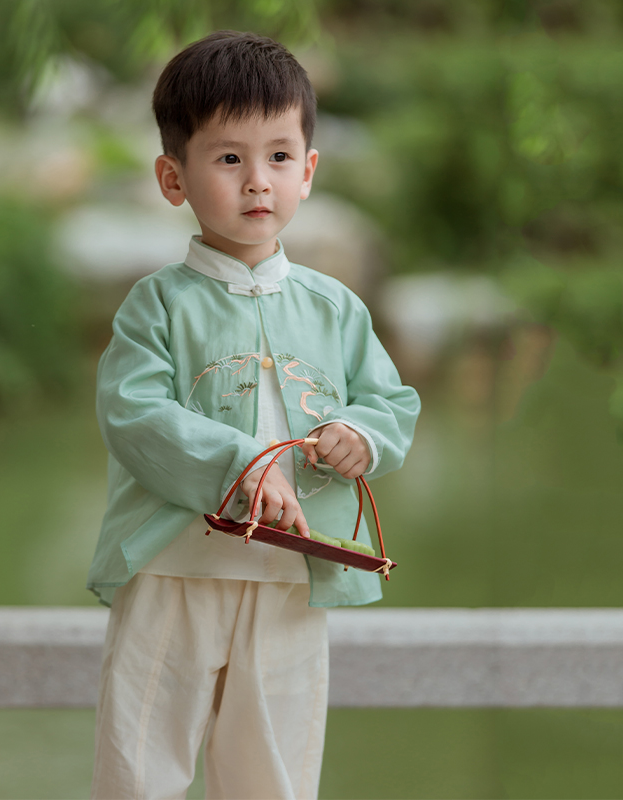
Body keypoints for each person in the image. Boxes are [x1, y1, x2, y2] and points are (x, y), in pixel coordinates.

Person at [87, 30, 420, 800]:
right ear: (174, 177)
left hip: (291, 573)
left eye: (277, 156)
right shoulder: (157, 304)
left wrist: (359, 434)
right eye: (228, 158)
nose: (256, 181)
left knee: (273, 775)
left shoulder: (337, 308)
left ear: (308, 171)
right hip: (175, 565)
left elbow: (391, 400)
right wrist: (244, 463)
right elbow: (134, 411)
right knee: (140, 764)